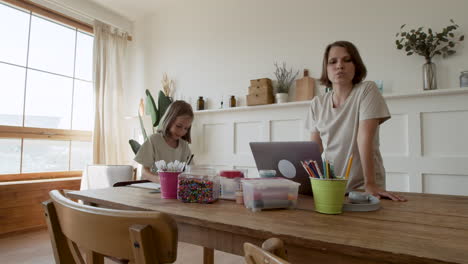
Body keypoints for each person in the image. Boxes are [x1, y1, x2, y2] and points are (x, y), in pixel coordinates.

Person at [305, 40, 406, 201]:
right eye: (333, 61)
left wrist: (370, 183)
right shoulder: (317, 103)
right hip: (332, 185)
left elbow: (364, 138)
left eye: (347, 60)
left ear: (356, 65)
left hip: (364, 185)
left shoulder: (367, 90)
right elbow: (315, 148)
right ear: (326, 68)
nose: (339, 66)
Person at [134, 100, 193, 182]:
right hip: (149, 189)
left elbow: (191, 170)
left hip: (173, 190)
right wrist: (161, 180)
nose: (182, 131)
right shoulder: (153, 140)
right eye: (178, 126)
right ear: (169, 120)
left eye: (186, 128)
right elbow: (144, 172)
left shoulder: (184, 146)